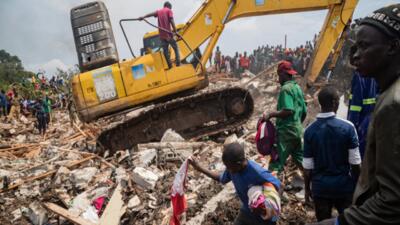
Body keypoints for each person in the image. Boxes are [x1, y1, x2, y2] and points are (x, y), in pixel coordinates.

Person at [309, 4, 400, 225]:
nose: (355, 56)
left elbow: (392, 200)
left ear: (392, 47)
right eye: (355, 47)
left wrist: (341, 222)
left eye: (364, 46)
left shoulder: (393, 105)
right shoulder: (386, 91)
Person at [303, 87, 361, 222]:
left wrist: (307, 190)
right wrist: (358, 188)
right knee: (347, 221)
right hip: (343, 187)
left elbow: (307, 168)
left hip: (320, 188)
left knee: (323, 221)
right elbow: (356, 164)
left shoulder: (309, 131)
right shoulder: (348, 128)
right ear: (335, 102)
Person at [189, 142, 280, 225]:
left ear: (239, 164)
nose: (228, 170)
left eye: (229, 167)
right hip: (247, 211)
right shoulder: (233, 169)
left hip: (264, 217)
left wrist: (269, 206)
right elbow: (221, 178)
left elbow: (279, 185)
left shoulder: (257, 172)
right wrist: (199, 168)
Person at [264, 61, 307, 173]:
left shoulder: (285, 89)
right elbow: (304, 111)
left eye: (279, 76)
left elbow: (288, 110)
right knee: (301, 161)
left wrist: (271, 114)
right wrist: (297, 124)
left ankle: (271, 189)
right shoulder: (297, 88)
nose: (278, 79)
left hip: (286, 133)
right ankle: (312, 186)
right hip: (297, 131)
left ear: (283, 74)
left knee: (276, 161)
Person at [139, 1, 180, 69]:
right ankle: (178, 63)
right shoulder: (169, 10)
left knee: (165, 51)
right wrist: (176, 32)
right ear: (169, 6)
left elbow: (151, 14)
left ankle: (170, 65)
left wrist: (143, 17)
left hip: (162, 36)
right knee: (175, 47)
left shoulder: (159, 11)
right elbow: (171, 20)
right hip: (168, 34)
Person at [347, 71, 378, 159]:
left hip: (361, 119)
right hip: (371, 116)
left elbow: (355, 105)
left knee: (357, 152)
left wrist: (351, 126)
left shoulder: (359, 74)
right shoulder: (377, 73)